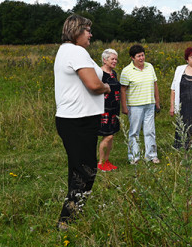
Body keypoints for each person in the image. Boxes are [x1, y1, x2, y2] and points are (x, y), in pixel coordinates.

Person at [54, 14, 110, 229]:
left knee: (80, 169)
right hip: (78, 120)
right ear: (76, 31)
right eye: (87, 30)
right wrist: (105, 87)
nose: (90, 34)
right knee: (85, 171)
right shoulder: (76, 52)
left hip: (76, 119)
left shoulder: (65, 51)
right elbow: (94, 85)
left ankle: (72, 214)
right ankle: (66, 221)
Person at [120, 44, 161, 164]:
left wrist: (157, 102)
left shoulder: (150, 67)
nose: (142, 58)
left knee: (150, 131)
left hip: (149, 104)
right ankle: (134, 157)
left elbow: (155, 85)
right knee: (134, 132)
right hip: (135, 106)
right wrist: (124, 107)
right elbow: (123, 89)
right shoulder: (127, 71)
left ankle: (151, 155)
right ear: (132, 58)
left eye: (143, 55)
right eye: (138, 56)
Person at [97, 48, 121, 172]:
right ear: (105, 60)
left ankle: (107, 161)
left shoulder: (114, 73)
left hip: (114, 109)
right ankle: (100, 163)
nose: (115, 61)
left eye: (116, 59)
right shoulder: (99, 73)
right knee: (107, 136)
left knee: (111, 136)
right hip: (103, 109)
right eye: (112, 59)